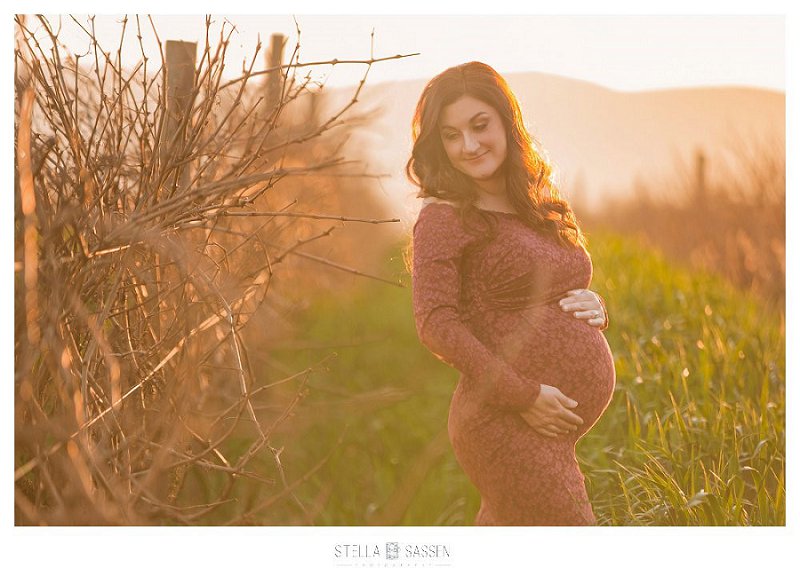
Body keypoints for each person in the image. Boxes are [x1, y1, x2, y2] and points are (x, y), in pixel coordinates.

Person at [407, 61, 615, 525]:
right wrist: (523, 396)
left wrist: (596, 307)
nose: (469, 145)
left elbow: (562, 282)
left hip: (547, 424)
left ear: (507, 120)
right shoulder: (444, 218)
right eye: (451, 134)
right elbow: (435, 324)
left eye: (480, 126)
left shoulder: (534, 200)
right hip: (505, 420)